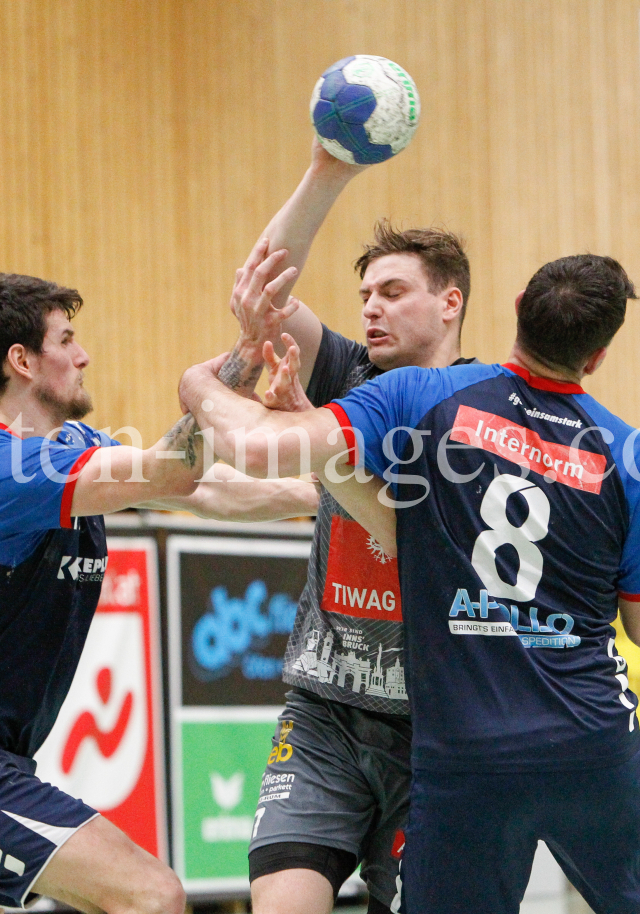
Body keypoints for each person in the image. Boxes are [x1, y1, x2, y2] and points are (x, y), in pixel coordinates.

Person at [179, 253, 640, 914]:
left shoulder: (423, 397)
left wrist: (197, 384)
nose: (373, 307)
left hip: (467, 746)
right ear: (599, 356)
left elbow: (266, 452)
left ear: (514, 304)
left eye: (392, 291)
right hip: (588, 735)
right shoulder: (628, 453)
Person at [0, 272, 315, 914]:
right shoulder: (2, 472)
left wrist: (326, 498)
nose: (83, 356)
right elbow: (175, 464)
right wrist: (243, 356)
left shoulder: (74, 448)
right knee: (152, 896)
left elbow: (203, 487)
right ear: (22, 361)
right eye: (66, 340)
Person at [217, 141, 474, 914]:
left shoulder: (486, 410)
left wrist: (312, 452)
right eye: (365, 293)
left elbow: (408, 534)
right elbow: (264, 294)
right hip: (324, 713)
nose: (371, 308)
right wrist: (328, 171)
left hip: (438, 730)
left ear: (450, 302)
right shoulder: (353, 375)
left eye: (393, 292)